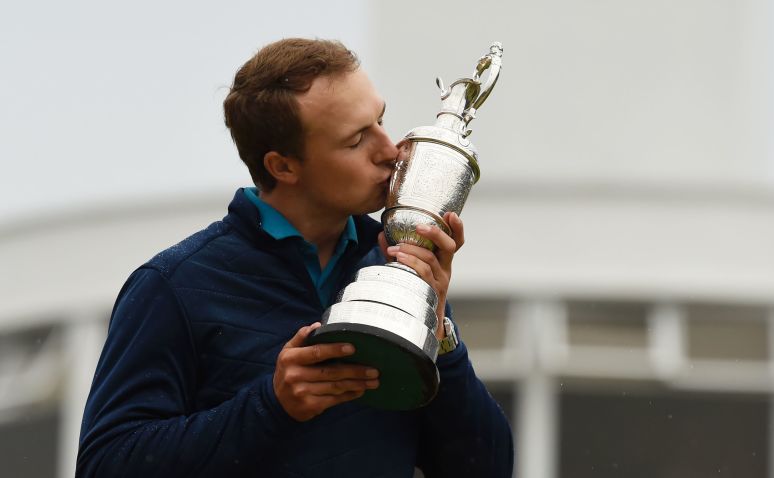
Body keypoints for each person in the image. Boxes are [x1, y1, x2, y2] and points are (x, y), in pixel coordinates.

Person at [76, 38, 513, 477]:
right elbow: (104, 465)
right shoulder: (172, 284)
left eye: (381, 120)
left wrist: (439, 333)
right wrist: (272, 406)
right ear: (283, 167)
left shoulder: (393, 264)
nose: (391, 149)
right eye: (357, 139)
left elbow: (485, 468)